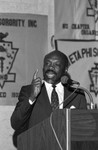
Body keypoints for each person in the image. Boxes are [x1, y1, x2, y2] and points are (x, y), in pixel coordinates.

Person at [10, 50, 87, 148]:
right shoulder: (28, 91)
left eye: (57, 64)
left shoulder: (76, 93)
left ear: (65, 69)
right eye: (47, 63)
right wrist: (32, 97)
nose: (50, 67)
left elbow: (83, 130)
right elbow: (15, 123)